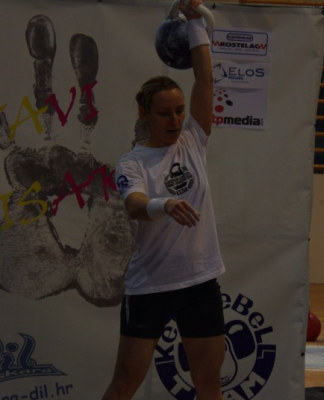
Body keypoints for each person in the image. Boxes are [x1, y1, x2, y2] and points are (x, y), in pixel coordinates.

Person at [101, 1, 226, 399]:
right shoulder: (132, 162)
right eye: (164, 114)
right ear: (144, 114)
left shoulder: (193, 139)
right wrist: (165, 204)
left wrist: (196, 24)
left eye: (179, 111)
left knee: (209, 384)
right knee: (125, 383)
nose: (174, 121)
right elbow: (135, 205)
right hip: (150, 287)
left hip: (200, 282)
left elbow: (205, 78)